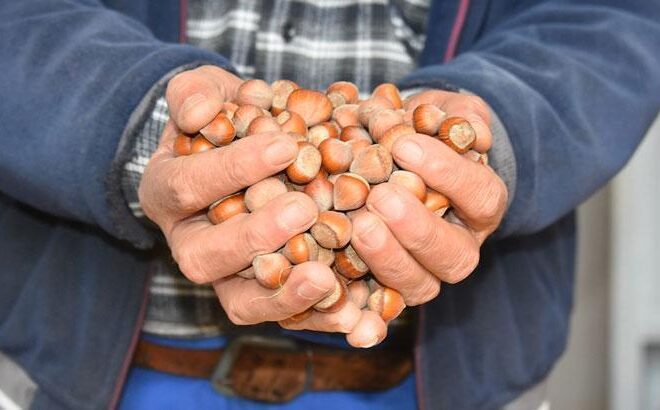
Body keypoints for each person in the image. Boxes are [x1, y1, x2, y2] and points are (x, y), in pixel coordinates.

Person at [0, 0, 658, 409]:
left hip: (456, 381)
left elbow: (617, 18)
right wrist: (148, 127)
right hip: (91, 373)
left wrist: (501, 127)